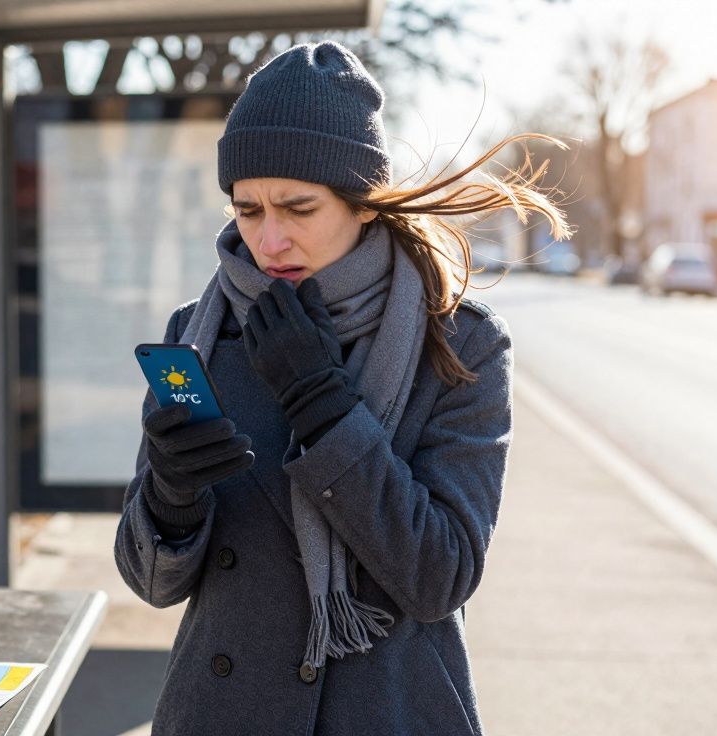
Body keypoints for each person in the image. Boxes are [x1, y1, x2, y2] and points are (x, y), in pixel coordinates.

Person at [113, 39, 570, 735]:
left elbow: (438, 576)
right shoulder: (198, 335)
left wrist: (325, 407)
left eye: (298, 209)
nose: (269, 242)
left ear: (363, 204)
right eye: (247, 209)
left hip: (386, 710)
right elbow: (152, 585)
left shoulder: (459, 342)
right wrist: (171, 500)